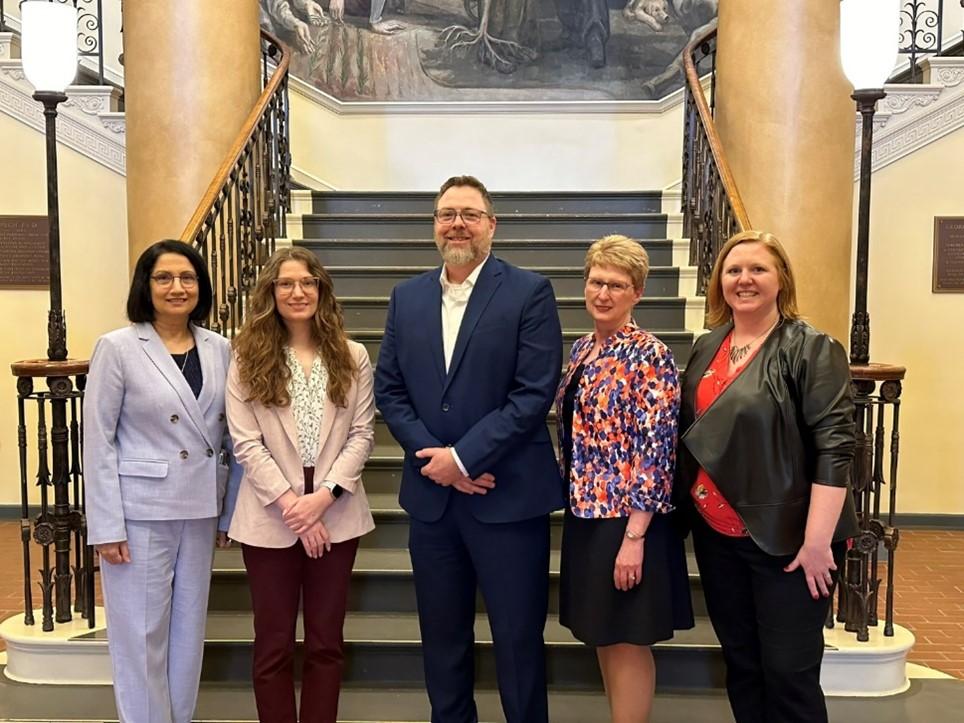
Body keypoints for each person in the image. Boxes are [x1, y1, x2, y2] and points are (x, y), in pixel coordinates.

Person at [374, 175, 564, 723]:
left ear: (491, 225)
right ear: (434, 225)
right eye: (446, 213)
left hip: (508, 500)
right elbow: (390, 389)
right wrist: (438, 461)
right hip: (433, 507)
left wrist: (463, 459)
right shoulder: (405, 297)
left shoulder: (530, 291)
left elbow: (533, 394)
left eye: (470, 214)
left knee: (517, 640)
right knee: (442, 639)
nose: (457, 223)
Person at [676, 230, 859, 723]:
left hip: (791, 543)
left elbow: (835, 448)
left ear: (781, 280)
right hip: (719, 539)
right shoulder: (708, 345)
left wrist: (818, 543)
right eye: (733, 270)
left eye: (758, 269)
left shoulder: (813, 348)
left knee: (789, 675)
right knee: (743, 666)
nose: (744, 279)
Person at [84, 240, 237, 723]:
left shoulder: (220, 348)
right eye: (164, 278)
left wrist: (229, 511)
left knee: (188, 632)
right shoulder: (118, 347)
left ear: (201, 286)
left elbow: (232, 438)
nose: (177, 287)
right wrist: (106, 525)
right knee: (140, 633)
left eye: (188, 278)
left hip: (199, 508)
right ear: (145, 286)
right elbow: (98, 440)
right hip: (139, 511)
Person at [225, 246, 376, 723]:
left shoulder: (352, 355)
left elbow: (362, 433)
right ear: (271, 292)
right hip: (271, 511)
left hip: (336, 510)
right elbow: (246, 443)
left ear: (321, 291)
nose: (298, 292)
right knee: (271, 644)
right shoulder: (245, 355)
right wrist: (295, 506)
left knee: (326, 642)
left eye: (307, 283)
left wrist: (324, 498)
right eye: (286, 283)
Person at [556, 235, 693, 722]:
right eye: (596, 281)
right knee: (604, 633)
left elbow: (657, 450)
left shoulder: (649, 355)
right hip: (587, 513)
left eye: (618, 285)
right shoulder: (581, 350)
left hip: (629, 519)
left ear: (637, 293)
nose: (604, 293)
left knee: (628, 639)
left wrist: (635, 536)